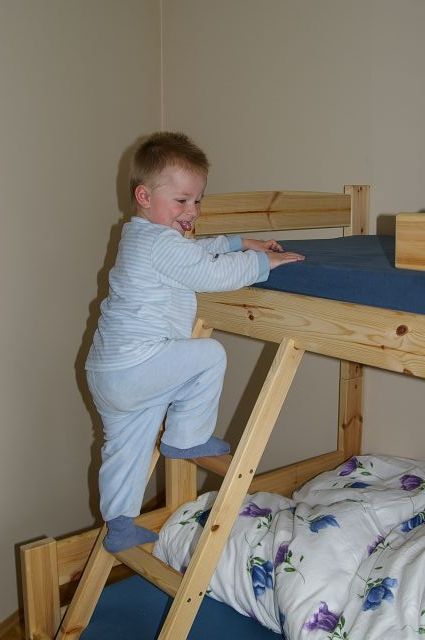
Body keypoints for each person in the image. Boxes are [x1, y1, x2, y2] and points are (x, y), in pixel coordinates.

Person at [85, 132, 304, 553]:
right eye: (182, 200)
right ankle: (186, 436)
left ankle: (119, 523)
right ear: (144, 196)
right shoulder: (161, 243)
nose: (192, 211)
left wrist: (239, 242)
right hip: (137, 365)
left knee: (124, 450)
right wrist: (263, 261)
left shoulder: (139, 236)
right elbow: (209, 273)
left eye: (198, 200)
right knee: (209, 355)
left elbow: (194, 253)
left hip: (108, 372)